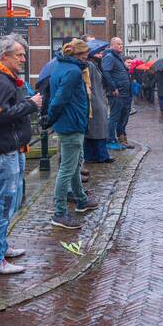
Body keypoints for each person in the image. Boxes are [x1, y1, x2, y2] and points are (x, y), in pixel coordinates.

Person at [0, 34, 42, 275]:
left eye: (24, 54)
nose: (24, 59)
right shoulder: (0, 82)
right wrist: (31, 104)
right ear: (5, 56)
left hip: (13, 148)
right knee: (4, 203)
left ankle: (1, 247)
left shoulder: (7, 80)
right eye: (19, 55)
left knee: (11, 201)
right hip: (4, 150)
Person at [48, 39, 94, 229]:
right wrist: (50, 118)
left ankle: (81, 199)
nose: (87, 58)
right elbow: (60, 99)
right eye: (85, 55)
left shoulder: (58, 66)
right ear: (78, 55)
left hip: (68, 123)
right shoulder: (74, 72)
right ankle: (59, 212)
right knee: (67, 168)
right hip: (72, 124)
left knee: (74, 164)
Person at [84, 42, 114, 165]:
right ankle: (101, 155)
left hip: (98, 99)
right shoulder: (90, 65)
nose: (101, 55)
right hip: (95, 101)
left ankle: (94, 155)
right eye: (98, 53)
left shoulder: (95, 65)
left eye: (102, 52)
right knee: (98, 128)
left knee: (95, 129)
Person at [103, 37, 133, 150]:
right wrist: (113, 87)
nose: (121, 45)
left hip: (126, 93)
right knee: (115, 117)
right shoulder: (110, 57)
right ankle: (110, 139)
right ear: (112, 45)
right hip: (117, 94)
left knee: (124, 117)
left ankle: (122, 139)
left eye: (122, 43)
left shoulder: (118, 57)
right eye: (118, 44)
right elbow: (106, 72)